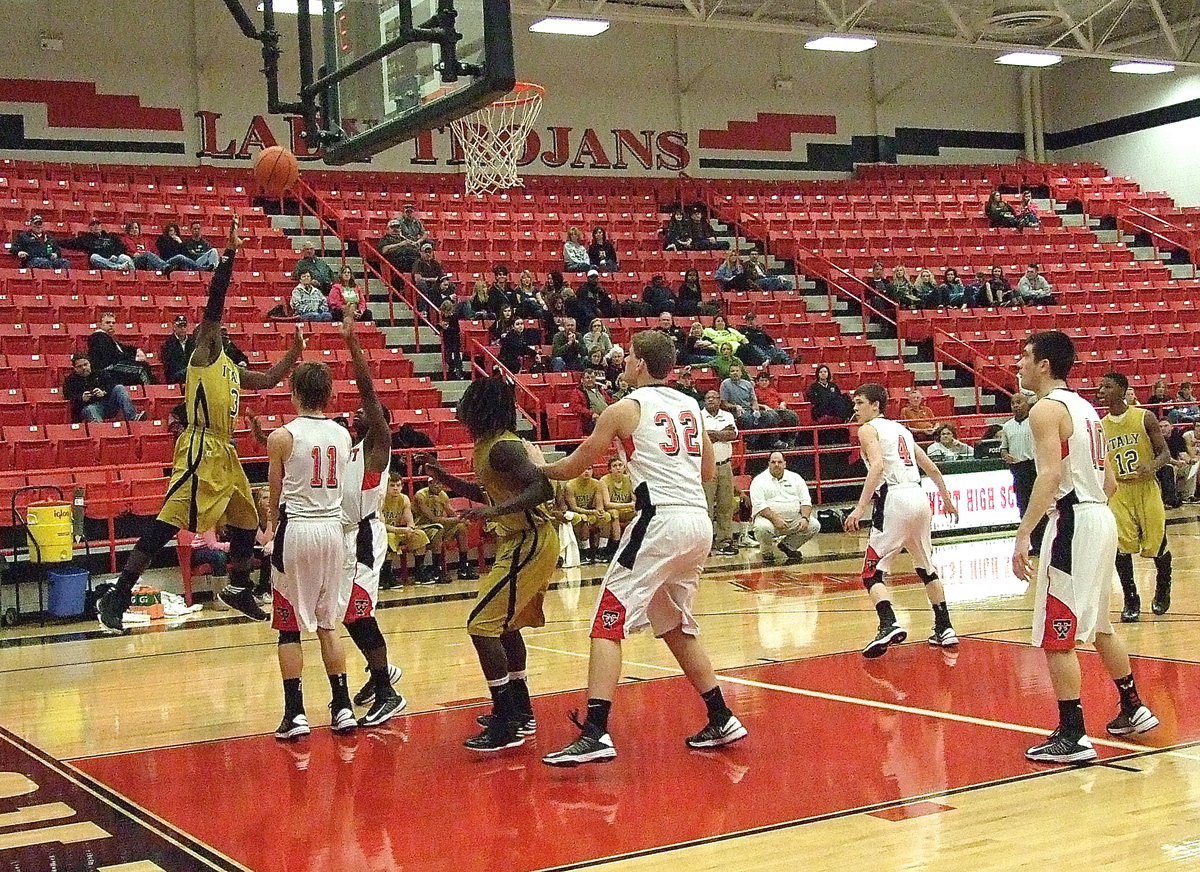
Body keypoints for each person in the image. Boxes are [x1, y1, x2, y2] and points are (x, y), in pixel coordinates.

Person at [539, 330, 746, 766]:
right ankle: (721, 715)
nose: (625, 360)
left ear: (640, 363)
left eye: (629, 355)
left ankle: (596, 732)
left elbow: (577, 463)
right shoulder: (691, 406)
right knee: (673, 624)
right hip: (697, 523)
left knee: (606, 620)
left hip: (660, 521)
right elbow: (709, 471)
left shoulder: (624, 409)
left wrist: (539, 468)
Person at [97, 219, 305, 634]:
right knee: (169, 521)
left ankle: (239, 586)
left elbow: (268, 380)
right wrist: (230, 253)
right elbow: (215, 302)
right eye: (211, 330)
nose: (217, 331)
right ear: (201, 338)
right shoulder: (204, 355)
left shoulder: (230, 366)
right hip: (199, 446)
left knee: (246, 518)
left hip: (225, 450)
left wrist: (295, 351)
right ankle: (118, 595)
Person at [1011, 331, 1158, 763]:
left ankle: (1073, 734)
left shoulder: (1045, 409)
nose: (1018, 364)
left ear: (1044, 365)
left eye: (1025, 356)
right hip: (1099, 516)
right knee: (1100, 623)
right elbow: (1109, 481)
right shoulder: (1086, 409)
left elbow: (1049, 476)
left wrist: (1024, 534)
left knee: (1057, 634)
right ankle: (1133, 707)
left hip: (1074, 519)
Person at [424, 376, 560, 751]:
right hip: (517, 540)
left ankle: (506, 720)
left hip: (531, 539)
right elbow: (489, 492)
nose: (460, 408)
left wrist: (494, 512)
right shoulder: (487, 446)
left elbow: (542, 488)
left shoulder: (504, 448)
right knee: (504, 626)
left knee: (481, 625)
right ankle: (520, 709)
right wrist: (444, 477)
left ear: (481, 407)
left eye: (467, 401)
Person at [265, 360, 355, 740]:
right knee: (328, 623)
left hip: (298, 529)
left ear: (294, 393)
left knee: (289, 627)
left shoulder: (282, 437)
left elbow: (274, 495)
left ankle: (295, 713)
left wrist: (270, 528)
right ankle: (343, 706)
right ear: (329, 394)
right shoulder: (343, 435)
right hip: (333, 530)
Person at [843, 383, 959, 657]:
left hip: (893, 497)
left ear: (875, 405)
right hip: (919, 497)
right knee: (926, 567)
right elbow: (931, 468)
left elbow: (877, 466)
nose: (855, 409)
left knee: (871, 572)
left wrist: (859, 508)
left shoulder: (868, 429)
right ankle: (945, 627)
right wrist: (946, 499)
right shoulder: (902, 429)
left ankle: (888, 623)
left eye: (860, 403)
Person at [337, 310, 408, 726]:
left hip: (364, 535)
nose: (357, 413)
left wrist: (352, 342)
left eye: (365, 411)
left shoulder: (378, 444)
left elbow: (367, 392)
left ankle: (387, 691)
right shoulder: (349, 449)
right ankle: (381, 671)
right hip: (345, 536)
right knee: (347, 612)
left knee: (358, 613)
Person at [1097, 372, 1173, 622]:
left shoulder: (1144, 417)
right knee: (1121, 547)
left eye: (1108, 386)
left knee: (1156, 544)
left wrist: (1152, 466)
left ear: (1122, 390)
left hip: (1146, 486)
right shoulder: (1100, 426)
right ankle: (1131, 599)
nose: (1102, 391)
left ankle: (1163, 586)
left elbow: (1164, 453)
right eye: (1101, 387)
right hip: (1120, 489)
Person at [750, 452, 819, 565]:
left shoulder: (796, 478)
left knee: (814, 525)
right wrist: (775, 519)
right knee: (762, 528)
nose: (776, 465)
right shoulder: (758, 481)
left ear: (785, 464)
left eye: (779, 462)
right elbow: (760, 506)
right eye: (773, 462)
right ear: (768, 464)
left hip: (794, 520)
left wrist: (805, 518)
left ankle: (788, 546)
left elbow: (806, 501)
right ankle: (767, 552)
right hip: (769, 520)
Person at [1001, 393, 1045, 551]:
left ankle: (1045, 543)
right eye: (1013, 403)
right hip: (1018, 469)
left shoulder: (1035, 422)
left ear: (1027, 404)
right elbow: (1003, 448)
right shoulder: (1007, 426)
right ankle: (1034, 544)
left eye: (1019, 402)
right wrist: (1006, 455)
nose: (1016, 405)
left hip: (1035, 466)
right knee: (1024, 507)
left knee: (1040, 505)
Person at [412, 478, 476, 583]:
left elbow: (452, 513)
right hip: (421, 527)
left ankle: (463, 566)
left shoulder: (443, 495)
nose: (437, 486)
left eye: (440, 483)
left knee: (461, 527)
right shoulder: (420, 495)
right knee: (439, 528)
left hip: (437, 527)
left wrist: (463, 519)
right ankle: (436, 568)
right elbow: (433, 519)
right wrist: (458, 519)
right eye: (434, 483)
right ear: (429, 484)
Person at [700, 390, 739, 557]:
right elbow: (702, 438)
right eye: (707, 398)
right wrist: (721, 433)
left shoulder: (727, 415)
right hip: (706, 466)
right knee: (706, 506)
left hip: (725, 465)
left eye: (713, 398)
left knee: (726, 504)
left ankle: (725, 541)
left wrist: (713, 434)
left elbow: (733, 434)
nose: (710, 400)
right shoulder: (699, 416)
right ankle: (706, 543)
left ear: (719, 400)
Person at [379, 473, 428, 588]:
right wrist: (401, 530)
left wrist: (410, 529)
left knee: (419, 535)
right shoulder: (380, 499)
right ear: (386, 486)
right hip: (382, 532)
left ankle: (419, 571)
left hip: (397, 531)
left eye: (398, 485)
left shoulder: (404, 499)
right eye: (392, 485)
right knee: (389, 537)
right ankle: (386, 575)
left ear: (402, 486)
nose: (395, 488)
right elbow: (382, 525)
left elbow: (410, 520)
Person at [721, 362, 783, 450]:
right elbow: (724, 404)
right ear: (729, 373)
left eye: (737, 371)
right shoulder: (725, 384)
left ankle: (774, 441)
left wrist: (756, 409)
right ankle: (751, 445)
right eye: (732, 371)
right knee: (748, 418)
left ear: (741, 373)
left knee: (771, 415)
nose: (735, 373)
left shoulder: (747, 384)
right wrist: (735, 407)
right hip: (735, 412)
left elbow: (754, 400)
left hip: (750, 410)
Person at [64, 354, 141, 423]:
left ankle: (133, 417)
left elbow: (112, 385)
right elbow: (69, 398)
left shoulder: (100, 373)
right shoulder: (70, 381)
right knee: (90, 409)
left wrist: (103, 392)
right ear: (75, 368)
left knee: (119, 388)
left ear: (89, 364)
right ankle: (101, 430)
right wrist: (81, 398)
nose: (83, 368)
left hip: (107, 404)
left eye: (85, 364)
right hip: (87, 407)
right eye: (79, 366)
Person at [564, 467, 616, 564]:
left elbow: (599, 504)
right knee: (583, 518)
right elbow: (574, 507)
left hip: (590, 512)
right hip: (575, 513)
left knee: (606, 516)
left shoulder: (596, 483)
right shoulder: (570, 485)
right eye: (583, 469)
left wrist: (600, 511)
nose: (586, 471)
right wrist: (592, 512)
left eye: (589, 469)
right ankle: (584, 551)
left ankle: (601, 550)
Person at [89, 312, 153, 385]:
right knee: (141, 369)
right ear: (100, 324)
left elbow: (123, 348)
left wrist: (137, 350)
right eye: (108, 322)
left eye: (113, 323)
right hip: (108, 367)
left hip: (115, 364)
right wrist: (135, 358)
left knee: (143, 365)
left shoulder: (107, 337)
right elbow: (113, 355)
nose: (111, 325)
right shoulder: (98, 337)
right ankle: (150, 390)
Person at [63, 218, 134, 272]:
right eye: (93, 225)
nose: (96, 226)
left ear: (101, 226)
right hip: (102, 260)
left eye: (97, 224)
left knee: (125, 258)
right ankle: (118, 267)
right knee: (93, 257)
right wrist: (57, 241)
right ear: (90, 228)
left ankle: (133, 277)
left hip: (114, 258)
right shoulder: (86, 239)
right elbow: (70, 243)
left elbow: (121, 247)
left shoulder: (110, 236)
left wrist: (115, 255)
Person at [754, 370, 800, 445]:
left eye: (766, 380)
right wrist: (763, 406)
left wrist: (782, 404)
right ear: (757, 382)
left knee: (792, 415)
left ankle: (791, 439)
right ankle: (775, 441)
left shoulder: (773, 390)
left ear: (769, 382)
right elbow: (753, 404)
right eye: (762, 380)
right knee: (774, 416)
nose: (764, 382)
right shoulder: (755, 391)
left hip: (778, 409)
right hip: (766, 412)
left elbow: (782, 400)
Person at [599, 456, 636, 544]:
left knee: (641, 512)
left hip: (626, 510)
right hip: (611, 510)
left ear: (624, 467)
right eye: (614, 466)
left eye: (620, 465)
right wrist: (629, 505)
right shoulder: (604, 480)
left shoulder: (629, 478)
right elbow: (607, 504)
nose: (618, 468)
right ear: (610, 469)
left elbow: (634, 499)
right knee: (614, 513)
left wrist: (634, 505)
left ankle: (636, 541)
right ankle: (616, 543)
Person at [572, 368, 612, 436]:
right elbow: (576, 407)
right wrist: (591, 414)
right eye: (587, 378)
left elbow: (610, 402)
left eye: (592, 377)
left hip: (606, 417)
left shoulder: (600, 390)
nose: (590, 379)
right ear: (582, 380)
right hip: (590, 421)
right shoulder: (578, 392)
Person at [161, 315, 196, 384]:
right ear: (174, 327)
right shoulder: (168, 344)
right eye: (180, 326)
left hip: (192, 374)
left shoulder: (193, 342)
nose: (182, 328)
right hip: (176, 376)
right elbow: (169, 365)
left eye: (184, 326)